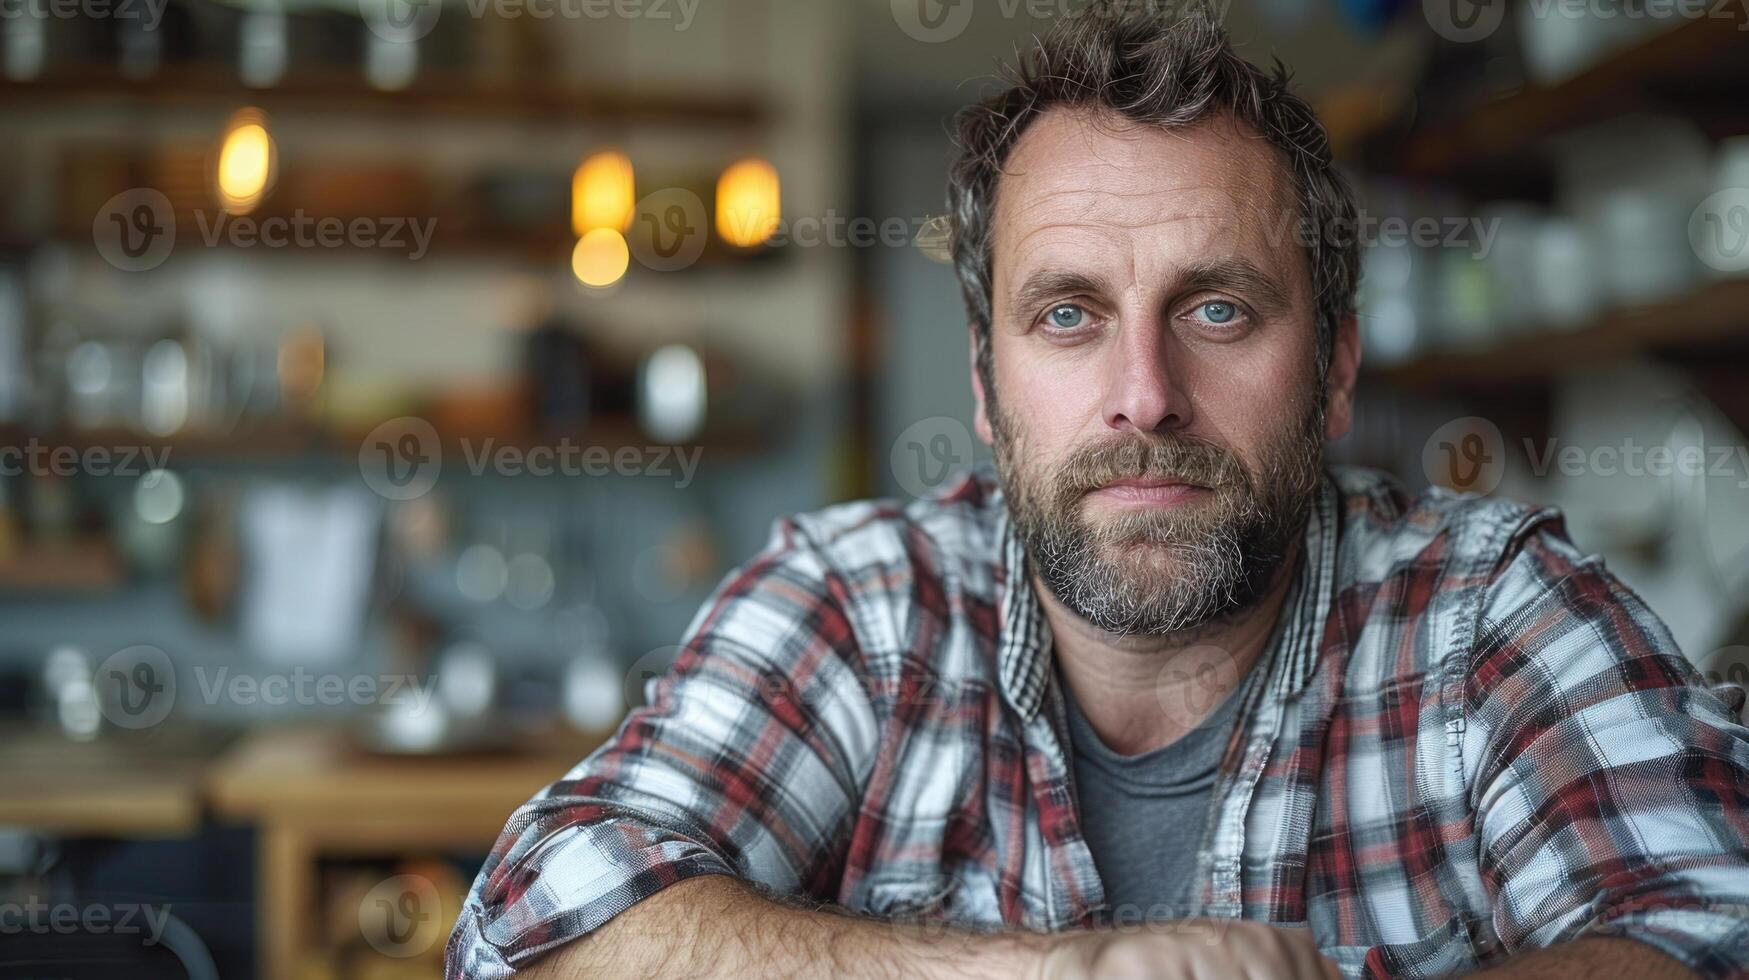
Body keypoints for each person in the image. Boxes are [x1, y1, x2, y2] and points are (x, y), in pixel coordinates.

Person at [446, 3, 1749, 977]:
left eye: (1219, 309)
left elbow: (1705, 925)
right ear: (982, 383)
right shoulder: (857, 603)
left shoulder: (1493, 612)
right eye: (1068, 316)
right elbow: (533, 924)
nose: (1143, 392)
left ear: (1335, 367)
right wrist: (1052, 972)